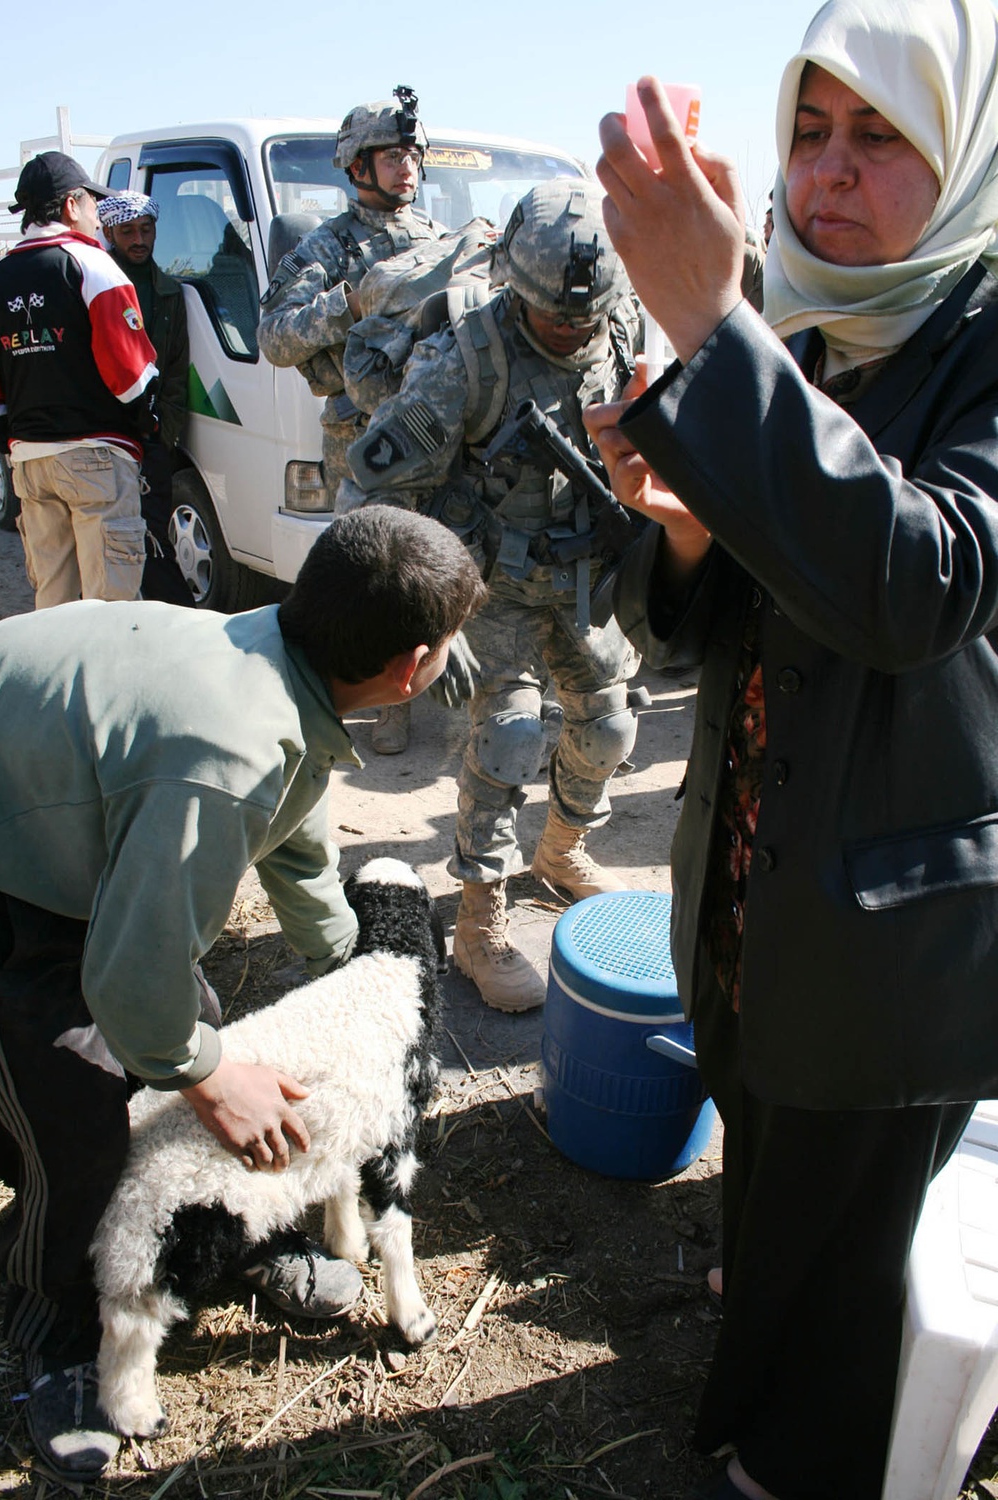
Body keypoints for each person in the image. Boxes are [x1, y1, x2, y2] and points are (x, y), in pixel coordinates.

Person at [585, 1, 998, 1495]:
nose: (830, 172)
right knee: (770, 1157)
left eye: (881, 133)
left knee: (852, 1234)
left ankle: (806, 1458)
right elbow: (701, 632)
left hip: (891, 909)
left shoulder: (974, 340)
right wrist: (691, 525)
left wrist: (715, 326)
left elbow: (920, 584)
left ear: (964, 153)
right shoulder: (814, 330)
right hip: (758, 880)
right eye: (809, 132)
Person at [0, 505, 486, 1484]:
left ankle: (213, 1236)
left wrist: (346, 966)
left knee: (198, 1036)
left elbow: (293, 833)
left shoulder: (281, 660)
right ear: (412, 665)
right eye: (452, 646)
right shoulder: (223, 759)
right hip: (12, 872)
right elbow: (131, 984)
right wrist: (212, 1079)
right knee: (74, 1124)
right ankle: (53, 1337)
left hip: (60, 816)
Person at [342, 178, 643, 1013]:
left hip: (584, 572)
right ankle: (480, 922)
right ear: (515, 285)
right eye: (554, 316)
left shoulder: (616, 327)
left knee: (612, 726)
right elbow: (369, 496)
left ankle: (562, 851)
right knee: (510, 738)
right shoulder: (463, 360)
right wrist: (435, 613)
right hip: (489, 586)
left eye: (583, 318)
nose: (571, 330)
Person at [258, 85, 441, 755]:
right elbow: (275, 337)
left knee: (446, 560)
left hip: (440, 428)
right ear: (357, 167)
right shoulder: (326, 248)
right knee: (372, 576)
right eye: (392, 156)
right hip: (361, 436)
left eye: (413, 156)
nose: (407, 168)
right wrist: (348, 304)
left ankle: (444, 684)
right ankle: (379, 703)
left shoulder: (437, 241)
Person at [0, 152, 157, 610]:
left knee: (54, 609)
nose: (95, 215)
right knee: (111, 610)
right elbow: (132, 378)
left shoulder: (2, 274)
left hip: (29, 462)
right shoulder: (91, 264)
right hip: (96, 460)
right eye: (91, 203)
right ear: (71, 205)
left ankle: (58, 684)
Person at [99, 191, 194, 606]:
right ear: (109, 232)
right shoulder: (98, 284)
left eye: (146, 229)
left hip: (151, 437)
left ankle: (169, 619)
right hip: (106, 435)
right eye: (128, 231)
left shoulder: (169, 291)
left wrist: (164, 432)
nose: (138, 239)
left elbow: (175, 367)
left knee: (154, 535)